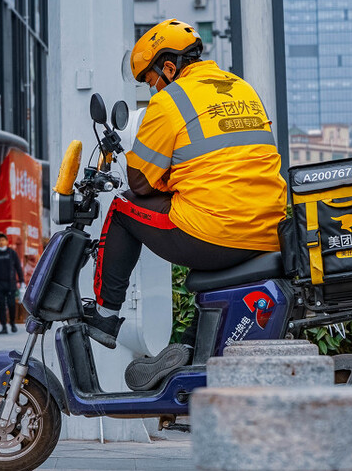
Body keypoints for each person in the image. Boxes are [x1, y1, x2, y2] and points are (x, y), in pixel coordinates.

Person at [86, 19, 287, 350]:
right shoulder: (243, 89)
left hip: (217, 235)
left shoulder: (170, 102)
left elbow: (139, 182)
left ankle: (105, 316)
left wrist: (166, 178)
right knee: (195, 208)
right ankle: (193, 351)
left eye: (152, 80)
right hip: (269, 234)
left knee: (122, 207)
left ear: (168, 66)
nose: (153, 89)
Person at [0, 234, 24, 335]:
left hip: (11, 283)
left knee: (11, 305)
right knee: (1, 306)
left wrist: (21, 280)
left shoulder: (12, 253)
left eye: (3, 240)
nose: (1, 242)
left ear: (7, 242)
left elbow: (18, 268)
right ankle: (3, 326)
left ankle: (12, 323)